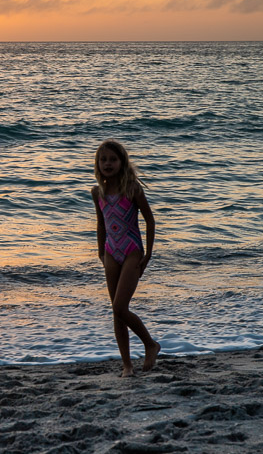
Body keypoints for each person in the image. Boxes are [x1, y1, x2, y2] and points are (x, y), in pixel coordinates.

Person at [91, 139, 161, 377]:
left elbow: (150, 221)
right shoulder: (97, 192)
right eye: (103, 160)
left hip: (132, 250)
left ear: (122, 162)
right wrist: (101, 252)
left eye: (113, 159)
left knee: (120, 306)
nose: (108, 163)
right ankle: (127, 365)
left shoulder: (132, 189)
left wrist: (148, 253)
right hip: (111, 251)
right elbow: (101, 224)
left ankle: (150, 344)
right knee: (116, 311)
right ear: (97, 164)